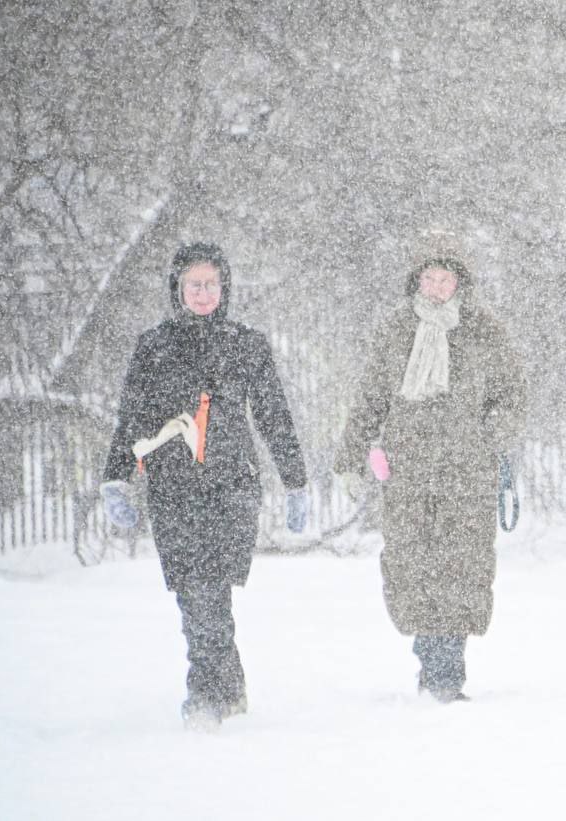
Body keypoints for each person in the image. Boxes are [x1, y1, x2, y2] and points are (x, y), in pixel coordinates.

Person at [99, 242, 309, 728]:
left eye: (210, 284)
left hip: (231, 485)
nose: (202, 292)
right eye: (193, 284)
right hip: (173, 487)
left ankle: (205, 693)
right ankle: (225, 689)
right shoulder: (154, 346)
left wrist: (295, 481)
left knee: (211, 588)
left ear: (224, 288)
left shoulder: (247, 344)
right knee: (193, 591)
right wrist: (116, 477)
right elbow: (132, 415)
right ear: (177, 287)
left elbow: (274, 416)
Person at [334, 232, 525, 703]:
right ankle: (432, 655)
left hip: (467, 471)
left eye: (446, 279)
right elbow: (372, 397)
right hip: (409, 469)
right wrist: (351, 454)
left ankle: (445, 673)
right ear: (416, 281)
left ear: (460, 282)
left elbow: (513, 397)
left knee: (462, 567)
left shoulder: (485, 332)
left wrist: (487, 437)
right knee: (413, 567)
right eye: (429, 278)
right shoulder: (396, 330)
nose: (437, 287)